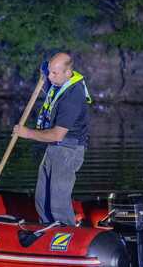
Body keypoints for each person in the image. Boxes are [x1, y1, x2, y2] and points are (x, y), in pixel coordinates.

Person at [13, 52, 92, 226]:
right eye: (49, 72)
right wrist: (45, 70)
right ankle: (46, 231)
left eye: (54, 73)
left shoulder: (72, 97)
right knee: (41, 199)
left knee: (57, 202)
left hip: (68, 150)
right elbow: (47, 71)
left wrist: (27, 133)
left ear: (68, 72)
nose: (49, 77)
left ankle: (66, 234)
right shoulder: (58, 79)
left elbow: (57, 134)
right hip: (54, 148)